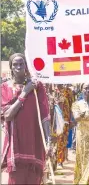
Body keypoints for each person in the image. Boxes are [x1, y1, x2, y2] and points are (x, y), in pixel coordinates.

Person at [1, 53, 52, 184]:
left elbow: (45, 116)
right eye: (15, 64)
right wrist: (24, 92)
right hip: (16, 145)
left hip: (35, 144)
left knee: (34, 179)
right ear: (11, 68)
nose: (19, 67)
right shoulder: (5, 88)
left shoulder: (37, 87)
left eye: (21, 63)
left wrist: (49, 140)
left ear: (26, 66)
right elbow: (7, 115)